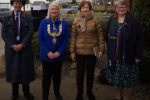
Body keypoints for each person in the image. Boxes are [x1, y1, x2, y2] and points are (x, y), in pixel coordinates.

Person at [106, 0, 144, 100]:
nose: (121, 9)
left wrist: (138, 55)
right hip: (115, 57)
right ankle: (118, 96)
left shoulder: (133, 20)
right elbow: (107, 36)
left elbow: (140, 38)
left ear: (127, 8)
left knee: (128, 79)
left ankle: (127, 97)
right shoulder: (111, 19)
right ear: (115, 9)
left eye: (123, 7)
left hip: (129, 56)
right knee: (117, 78)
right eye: (119, 7)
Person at [70, 1, 105, 100]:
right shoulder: (76, 21)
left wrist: (101, 49)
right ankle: (79, 93)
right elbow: (73, 38)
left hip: (92, 52)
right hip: (80, 52)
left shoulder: (95, 20)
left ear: (90, 9)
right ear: (80, 9)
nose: (85, 9)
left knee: (90, 73)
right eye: (83, 8)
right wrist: (72, 52)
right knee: (80, 74)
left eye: (87, 7)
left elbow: (100, 36)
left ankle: (89, 91)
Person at [1, 0, 35, 100]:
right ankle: (14, 93)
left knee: (25, 70)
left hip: (25, 48)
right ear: (12, 4)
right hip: (12, 49)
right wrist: (12, 45)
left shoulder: (28, 17)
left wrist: (22, 44)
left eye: (20, 3)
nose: (18, 5)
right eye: (16, 3)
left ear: (22, 4)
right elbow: (3, 34)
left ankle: (26, 92)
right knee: (13, 71)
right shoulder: (6, 18)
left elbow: (30, 32)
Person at [38, 2, 70, 100]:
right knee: (46, 78)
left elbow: (66, 38)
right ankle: (45, 95)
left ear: (58, 11)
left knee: (57, 77)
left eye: (56, 9)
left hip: (59, 56)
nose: (54, 11)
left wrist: (59, 52)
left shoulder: (63, 23)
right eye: (52, 9)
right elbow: (40, 38)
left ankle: (57, 93)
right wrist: (47, 52)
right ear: (49, 11)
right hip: (46, 56)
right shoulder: (44, 22)